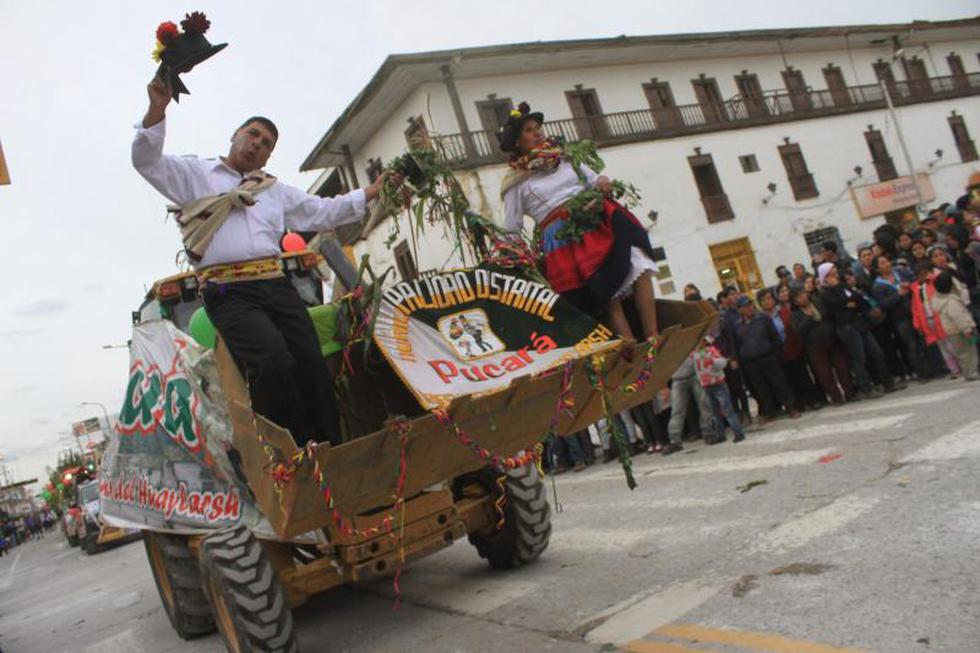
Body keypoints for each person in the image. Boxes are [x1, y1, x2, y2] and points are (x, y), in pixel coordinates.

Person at [132, 75, 398, 446]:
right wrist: (157, 109)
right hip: (229, 292)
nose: (258, 144)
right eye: (253, 135)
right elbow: (146, 161)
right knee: (273, 362)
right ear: (236, 135)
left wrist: (371, 191)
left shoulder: (272, 191)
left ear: (269, 156)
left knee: (311, 362)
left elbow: (323, 212)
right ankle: (291, 453)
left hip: (276, 284)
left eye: (267, 144)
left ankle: (331, 449)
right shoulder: (195, 175)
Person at [499, 103, 659, 341]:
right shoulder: (516, 183)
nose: (537, 132)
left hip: (595, 221)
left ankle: (653, 335)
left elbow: (594, 180)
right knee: (606, 292)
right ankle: (631, 347)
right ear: (517, 142)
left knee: (640, 264)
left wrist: (603, 182)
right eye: (529, 130)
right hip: (564, 238)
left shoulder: (564, 158)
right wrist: (516, 261)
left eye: (538, 127)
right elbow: (512, 228)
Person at [818, 263, 898, 398]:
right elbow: (839, 304)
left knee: (876, 352)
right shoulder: (825, 293)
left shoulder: (842, 286)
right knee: (859, 358)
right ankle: (866, 388)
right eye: (831, 271)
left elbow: (859, 300)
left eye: (835, 270)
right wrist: (846, 300)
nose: (835, 273)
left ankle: (887, 383)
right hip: (847, 328)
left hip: (860, 324)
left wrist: (849, 302)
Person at [732, 295, 799, 422]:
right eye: (746, 306)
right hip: (750, 361)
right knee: (761, 388)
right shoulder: (737, 325)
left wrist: (775, 353)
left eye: (750, 305)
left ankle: (791, 406)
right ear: (740, 310)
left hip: (768, 356)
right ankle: (769, 411)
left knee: (779, 383)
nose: (750, 308)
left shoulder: (763, 318)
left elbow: (774, 337)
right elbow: (736, 343)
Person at [871, 255, 924, 379]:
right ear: (877, 269)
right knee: (911, 344)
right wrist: (898, 295)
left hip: (914, 310)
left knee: (922, 339)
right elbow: (883, 304)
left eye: (886, 261)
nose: (886, 264)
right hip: (899, 318)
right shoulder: (878, 286)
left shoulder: (899, 272)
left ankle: (934, 366)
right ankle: (921, 372)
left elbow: (915, 280)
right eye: (882, 263)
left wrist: (909, 285)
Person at [775, 284, 823, 409]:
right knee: (800, 376)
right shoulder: (779, 311)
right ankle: (805, 400)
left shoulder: (797, 305)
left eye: (786, 290)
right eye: (781, 291)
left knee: (815, 370)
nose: (784, 293)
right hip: (792, 346)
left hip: (807, 342)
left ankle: (820, 396)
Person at [693, 335, 746, 443]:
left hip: (718, 384)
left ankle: (738, 433)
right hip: (706, 386)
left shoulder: (711, 350)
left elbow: (722, 363)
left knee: (728, 410)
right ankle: (720, 434)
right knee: (715, 412)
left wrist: (712, 360)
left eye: (701, 342)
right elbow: (697, 370)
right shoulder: (695, 354)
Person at [910, 261, 960, 377]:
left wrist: (932, 278)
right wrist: (917, 324)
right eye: (920, 275)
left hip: (941, 317)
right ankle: (954, 369)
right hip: (927, 320)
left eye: (925, 274)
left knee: (951, 344)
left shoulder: (937, 282)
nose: (923, 277)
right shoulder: (917, 289)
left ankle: (962, 364)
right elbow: (915, 308)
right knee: (942, 347)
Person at [931, 272, 979, 381]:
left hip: (952, 331)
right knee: (969, 351)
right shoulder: (951, 301)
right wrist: (967, 329)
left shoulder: (937, 299)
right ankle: (971, 372)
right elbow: (959, 317)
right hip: (962, 331)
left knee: (961, 353)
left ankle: (968, 372)